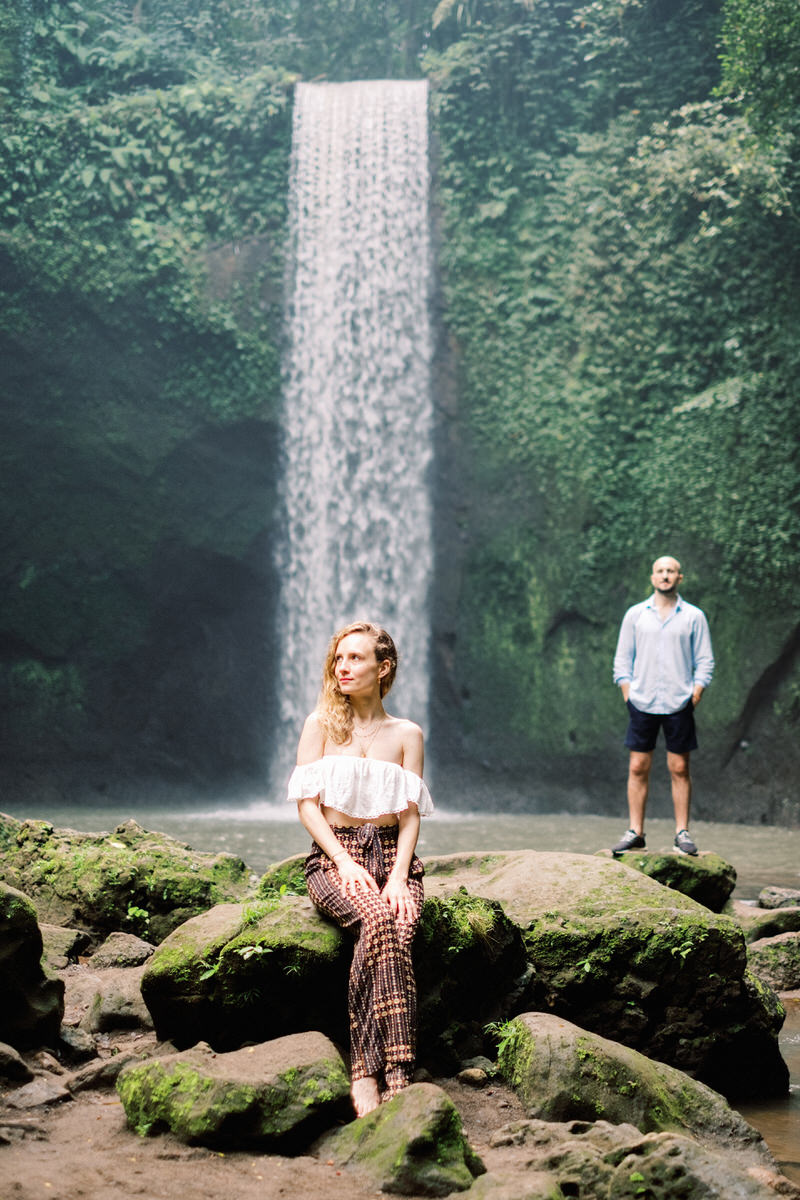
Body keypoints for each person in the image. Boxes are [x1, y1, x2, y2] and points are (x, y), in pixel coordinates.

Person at [287, 620, 433, 1118]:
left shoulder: (407, 734)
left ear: (383, 666)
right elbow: (308, 807)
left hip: (394, 855)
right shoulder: (321, 724)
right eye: (339, 658)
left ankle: (371, 1069)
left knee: (400, 920)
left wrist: (398, 877)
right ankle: (390, 1072)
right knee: (377, 919)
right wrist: (344, 861)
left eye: (355, 658)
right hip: (335, 853)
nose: (342, 667)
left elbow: (410, 814)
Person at [611, 555, 714, 857]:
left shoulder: (694, 616)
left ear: (679, 577)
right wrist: (627, 692)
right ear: (652, 577)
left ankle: (682, 832)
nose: (665, 575)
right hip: (641, 700)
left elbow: (705, 659)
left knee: (679, 767)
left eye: (671, 571)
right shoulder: (635, 615)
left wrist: (695, 693)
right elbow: (622, 658)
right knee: (637, 766)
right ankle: (635, 832)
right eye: (660, 571)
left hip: (679, 700)